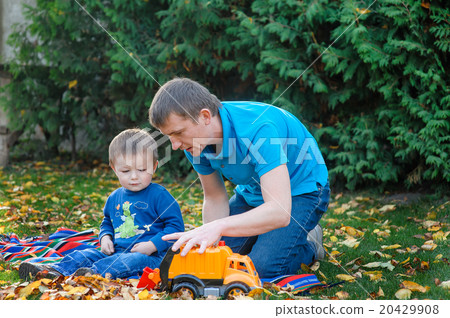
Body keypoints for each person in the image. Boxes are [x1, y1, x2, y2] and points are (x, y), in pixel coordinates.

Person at [149, 78, 330, 278]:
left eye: (178, 133)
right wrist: (210, 243)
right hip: (253, 193)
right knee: (221, 261)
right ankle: (272, 236)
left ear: (205, 116)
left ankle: (311, 245)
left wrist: (218, 226)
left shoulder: (258, 129)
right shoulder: (194, 144)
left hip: (302, 191)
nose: (174, 145)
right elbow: (214, 197)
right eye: (169, 137)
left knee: (260, 268)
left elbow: (279, 211)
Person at [19, 129, 184, 280]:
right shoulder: (114, 197)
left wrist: (152, 245)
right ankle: (53, 271)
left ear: (154, 166)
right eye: (126, 171)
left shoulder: (159, 195)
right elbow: (107, 222)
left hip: (151, 257)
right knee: (86, 254)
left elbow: (176, 227)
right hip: (116, 253)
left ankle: (92, 274)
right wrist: (105, 237)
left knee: (130, 260)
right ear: (114, 169)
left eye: (142, 170)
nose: (134, 177)